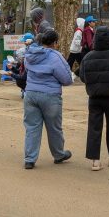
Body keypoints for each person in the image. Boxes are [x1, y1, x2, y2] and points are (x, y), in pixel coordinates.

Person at [78, 25, 109, 171]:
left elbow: (82, 77)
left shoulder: (87, 57)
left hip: (94, 97)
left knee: (94, 127)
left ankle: (95, 160)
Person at [22, 28, 73, 169]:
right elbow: (66, 79)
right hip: (50, 96)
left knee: (32, 127)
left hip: (30, 94)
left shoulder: (30, 54)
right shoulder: (55, 56)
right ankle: (58, 154)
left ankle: (30, 159)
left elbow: (26, 69)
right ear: (54, 43)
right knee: (54, 128)